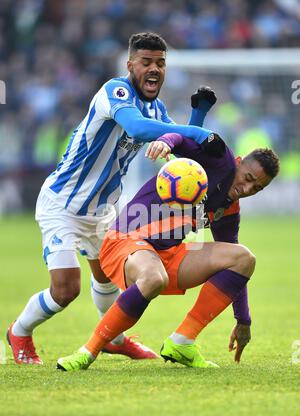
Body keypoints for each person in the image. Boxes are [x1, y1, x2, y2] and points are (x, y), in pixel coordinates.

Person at [7, 32, 215, 365]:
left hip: (104, 211)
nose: (154, 69)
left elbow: (182, 146)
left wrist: (197, 118)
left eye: (160, 63)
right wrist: (195, 132)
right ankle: (19, 331)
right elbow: (138, 129)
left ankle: (114, 340)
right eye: (146, 62)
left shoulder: (157, 108)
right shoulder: (114, 91)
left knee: (110, 277)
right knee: (66, 290)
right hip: (64, 205)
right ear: (130, 64)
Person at [56, 130, 280, 371]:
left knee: (243, 258)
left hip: (165, 256)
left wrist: (243, 319)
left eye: (256, 188)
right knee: (153, 277)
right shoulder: (218, 159)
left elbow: (236, 271)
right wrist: (165, 143)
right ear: (238, 163)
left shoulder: (229, 210)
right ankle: (88, 351)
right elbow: (183, 137)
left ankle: (182, 342)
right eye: (247, 178)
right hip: (125, 240)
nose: (247, 189)